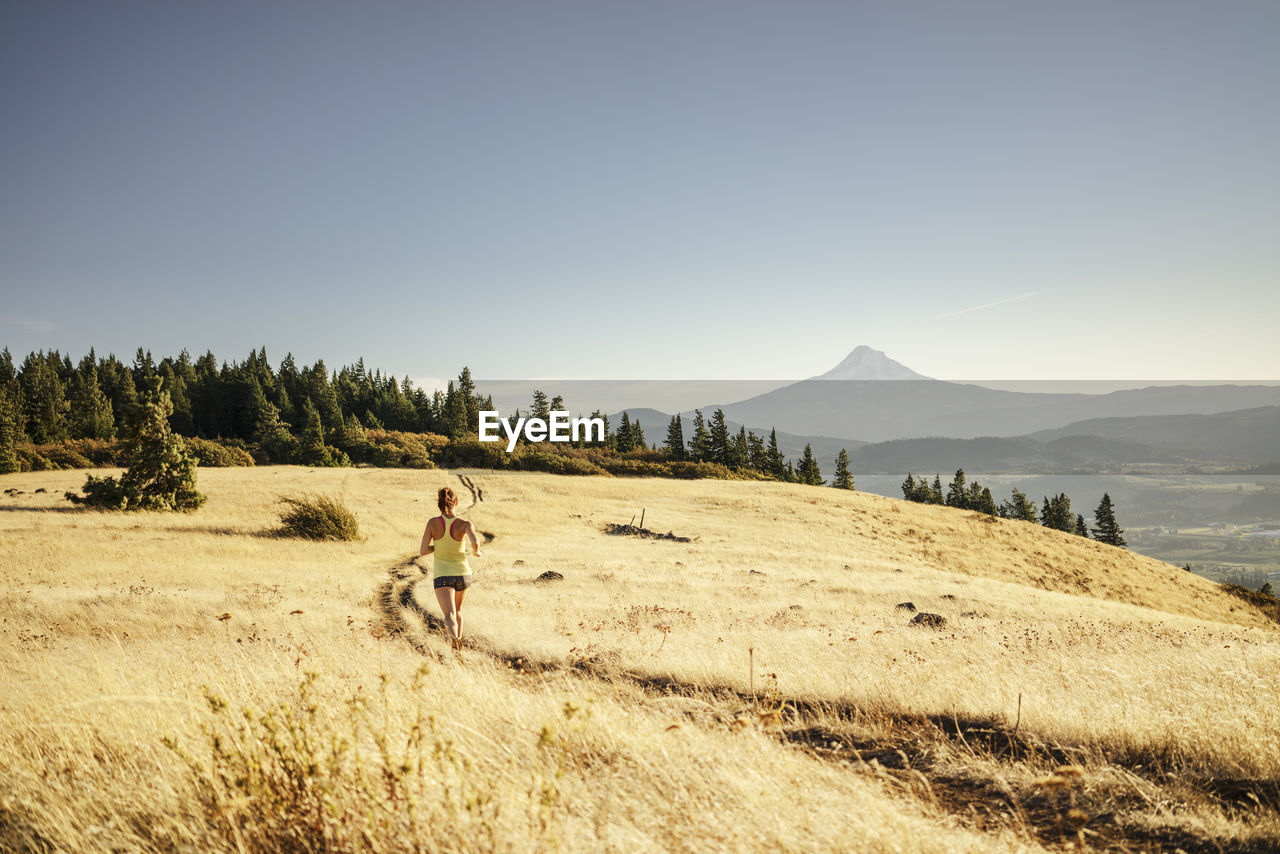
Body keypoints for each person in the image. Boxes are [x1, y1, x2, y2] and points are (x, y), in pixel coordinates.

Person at [420, 486, 481, 649]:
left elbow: (423, 550)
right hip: (463, 574)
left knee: (449, 614)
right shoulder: (465, 523)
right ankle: (458, 645)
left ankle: (454, 638)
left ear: (439, 504)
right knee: (458, 611)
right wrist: (477, 552)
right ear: (456, 502)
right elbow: (475, 542)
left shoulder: (432, 523)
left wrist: (438, 547)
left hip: (443, 575)